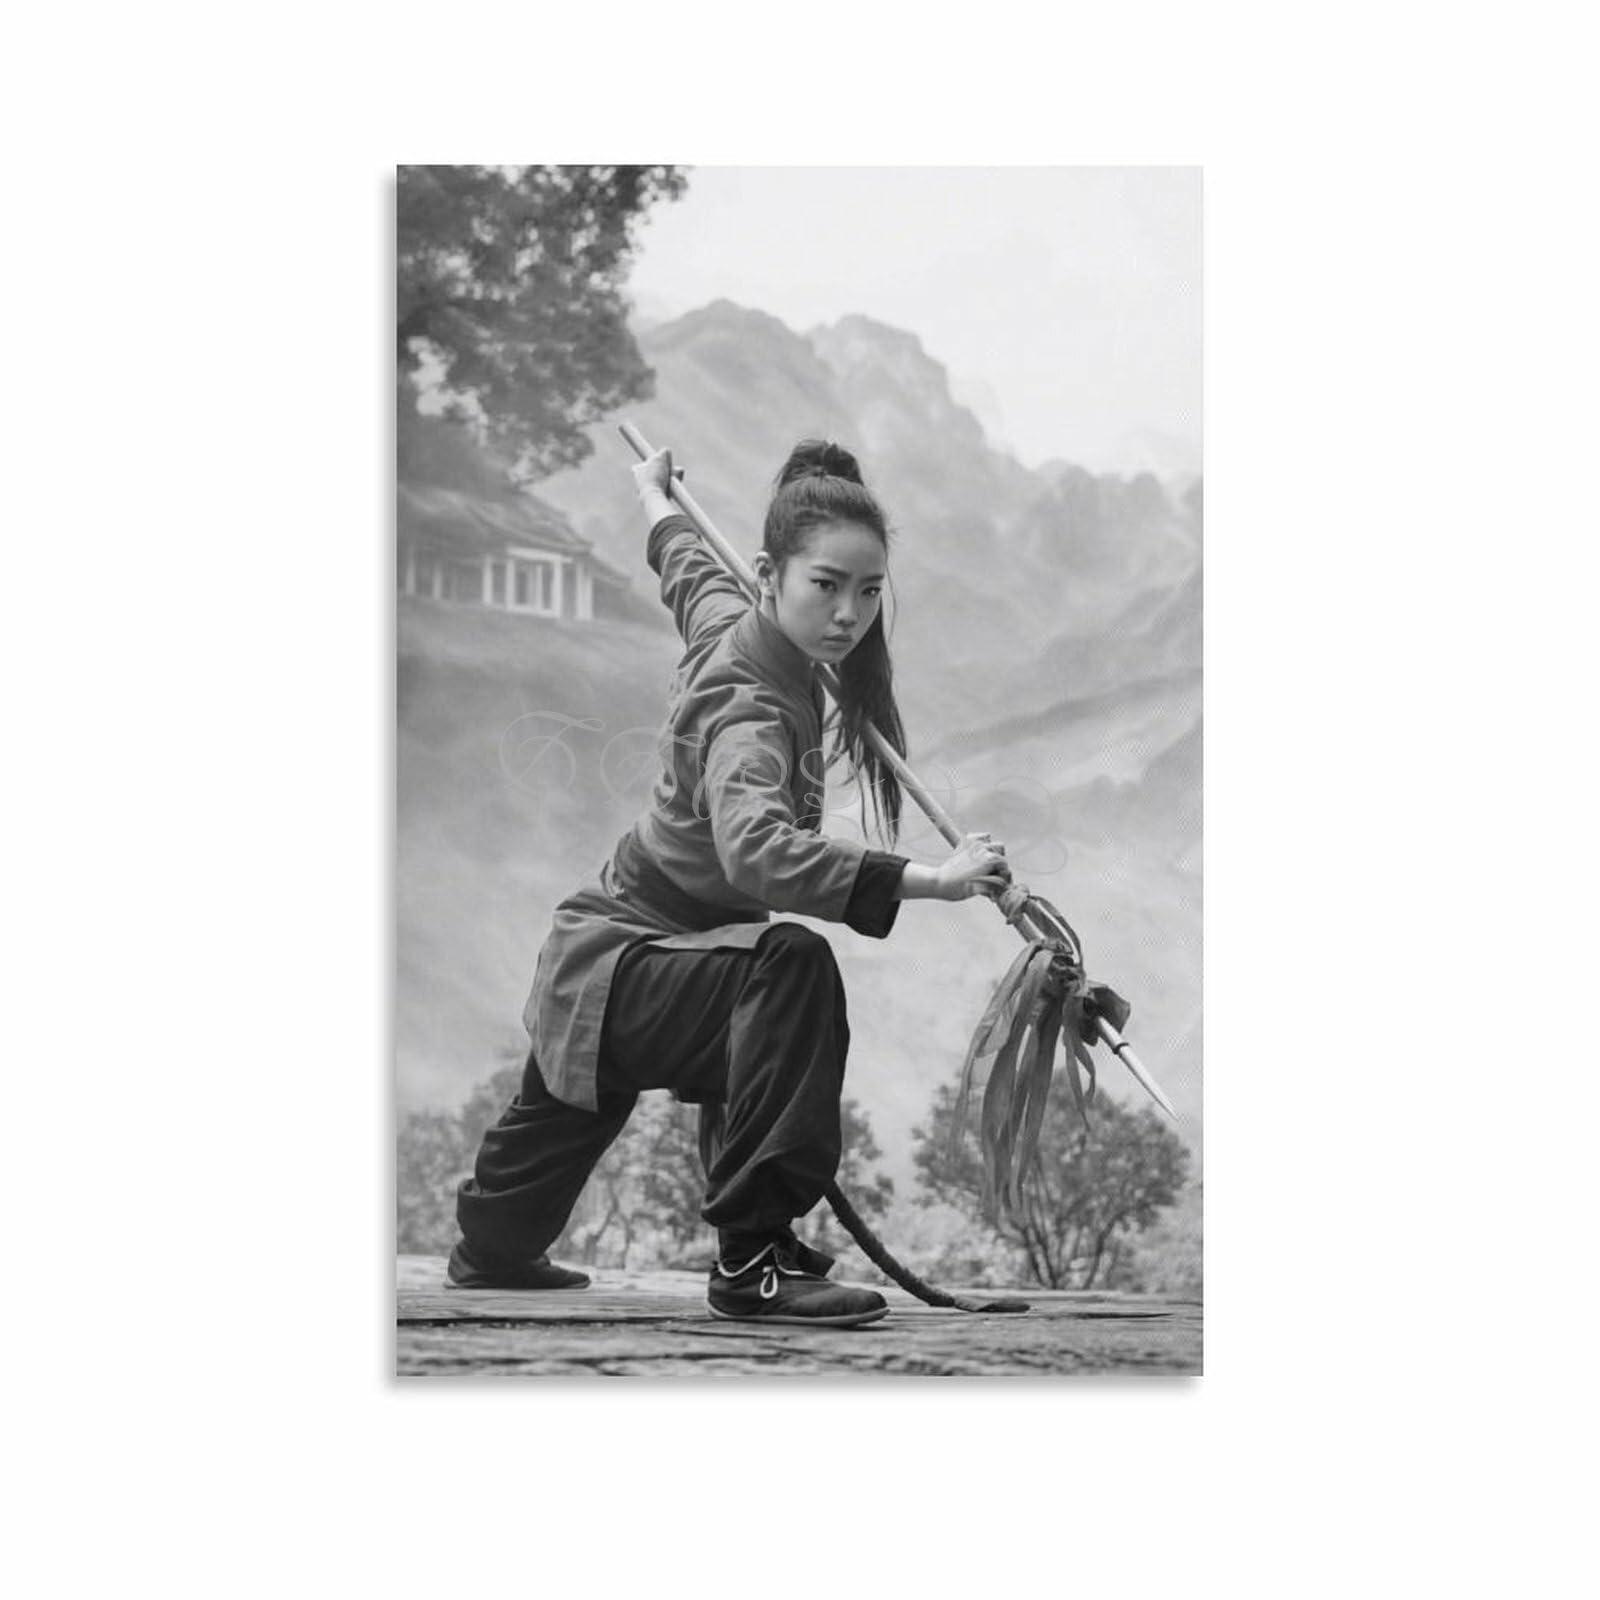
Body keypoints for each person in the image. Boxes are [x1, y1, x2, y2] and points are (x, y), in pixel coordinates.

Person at [448, 439, 1013, 1326]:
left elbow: (685, 566)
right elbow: (757, 853)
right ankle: (753, 1261)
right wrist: (933, 880)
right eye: (826, 585)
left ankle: (490, 1247)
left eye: (869, 592)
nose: (849, 615)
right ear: (769, 576)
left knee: (563, 1114)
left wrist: (654, 495)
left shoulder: (729, 618)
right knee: (787, 969)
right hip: (630, 960)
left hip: (622, 960)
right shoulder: (749, 707)